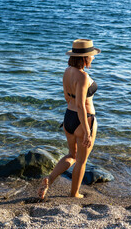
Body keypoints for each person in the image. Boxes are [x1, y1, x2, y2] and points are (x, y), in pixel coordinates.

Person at [38, 39, 100, 199]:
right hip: (83, 119)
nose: (93, 58)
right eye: (91, 56)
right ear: (84, 57)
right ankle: (74, 194)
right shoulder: (83, 77)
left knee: (72, 155)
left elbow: (67, 97)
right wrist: (87, 130)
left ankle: (49, 179)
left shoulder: (67, 71)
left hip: (68, 117)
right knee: (81, 160)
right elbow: (81, 105)